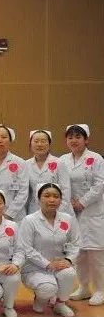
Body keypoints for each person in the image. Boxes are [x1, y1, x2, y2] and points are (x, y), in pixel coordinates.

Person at [19, 183, 78, 317]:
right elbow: (26, 248)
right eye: (47, 196)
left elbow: (76, 243)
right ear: (38, 199)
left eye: (56, 196)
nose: (52, 200)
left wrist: (68, 260)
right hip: (35, 267)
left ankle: (60, 304)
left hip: (61, 264)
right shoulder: (29, 220)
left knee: (68, 274)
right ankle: (40, 301)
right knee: (48, 288)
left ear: (60, 200)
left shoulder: (68, 219)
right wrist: (47, 264)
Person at [62, 124, 104, 305]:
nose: (74, 140)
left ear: (86, 139)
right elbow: (60, 183)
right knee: (78, 253)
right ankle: (84, 287)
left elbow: (100, 185)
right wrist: (68, 202)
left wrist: (82, 202)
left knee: (95, 254)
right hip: (70, 211)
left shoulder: (96, 158)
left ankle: (100, 290)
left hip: (92, 211)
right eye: (70, 137)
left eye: (78, 137)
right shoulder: (63, 160)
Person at [25, 129, 72, 216]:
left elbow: (65, 190)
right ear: (30, 144)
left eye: (43, 141)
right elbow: (26, 192)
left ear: (49, 144)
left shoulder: (59, 163)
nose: (39, 144)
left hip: (58, 210)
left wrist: (58, 212)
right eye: (36, 141)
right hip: (34, 210)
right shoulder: (26, 165)